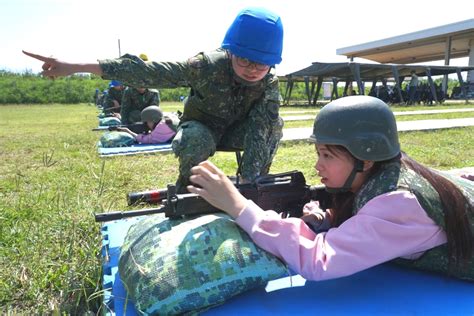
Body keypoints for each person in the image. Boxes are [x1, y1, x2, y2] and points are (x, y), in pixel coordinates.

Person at [187, 95, 474, 281]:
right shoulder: (390, 171)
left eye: (328, 155)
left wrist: (239, 206)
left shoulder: (399, 202)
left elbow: (318, 260)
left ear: (365, 157)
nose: (318, 166)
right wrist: (331, 220)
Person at [23, 6, 284, 193]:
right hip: (203, 129)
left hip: (237, 133)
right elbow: (150, 72)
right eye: (245, 60)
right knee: (196, 139)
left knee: (274, 125)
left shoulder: (269, 85)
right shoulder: (207, 66)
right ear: (231, 52)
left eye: (262, 64)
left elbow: (261, 130)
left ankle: (255, 184)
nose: (253, 69)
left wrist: (250, 185)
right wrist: (78, 65)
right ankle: (189, 190)